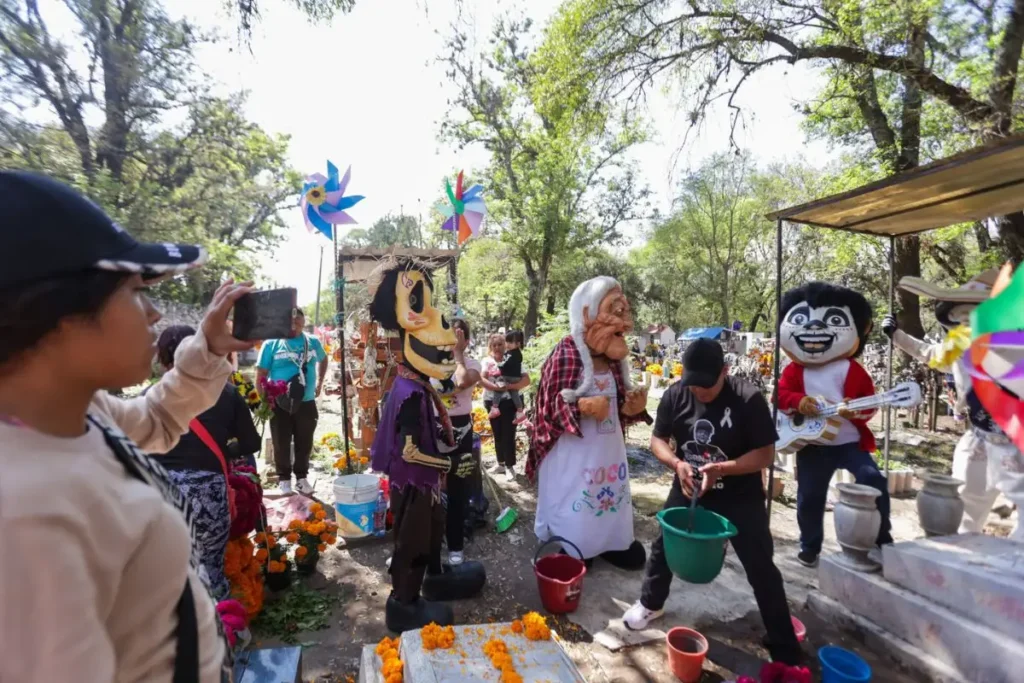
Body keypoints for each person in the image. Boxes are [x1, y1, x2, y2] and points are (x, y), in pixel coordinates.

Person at [0, 170, 253, 682]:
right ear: (60, 314)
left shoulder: (80, 413)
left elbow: (156, 419)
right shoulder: (24, 516)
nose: (154, 312)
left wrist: (207, 348)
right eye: (136, 290)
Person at [622, 338, 802, 665]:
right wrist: (677, 464)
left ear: (725, 371)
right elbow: (657, 440)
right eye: (693, 384)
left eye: (706, 385)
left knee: (761, 564)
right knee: (663, 544)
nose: (699, 392)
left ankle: (783, 643)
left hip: (739, 492)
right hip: (689, 483)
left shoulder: (748, 399)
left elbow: (765, 453)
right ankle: (651, 603)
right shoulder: (677, 394)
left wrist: (722, 470)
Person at [367, 257, 486, 633]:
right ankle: (404, 602)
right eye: (419, 307)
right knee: (415, 541)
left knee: (432, 531)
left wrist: (448, 457)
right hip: (414, 483)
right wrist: (451, 466)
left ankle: (434, 577)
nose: (444, 334)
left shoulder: (418, 385)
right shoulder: (409, 393)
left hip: (425, 483)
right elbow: (408, 451)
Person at [884, 269, 1023, 539]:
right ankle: (963, 553)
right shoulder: (961, 351)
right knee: (966, 500)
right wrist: (895, 335)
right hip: (980, 438)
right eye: (960, 319)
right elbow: (929, 353)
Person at [527, 276, 649, 569]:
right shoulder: (566, 353)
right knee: (578, 499)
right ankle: (577, 543)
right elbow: (546, 405)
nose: (626, 324)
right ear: (587, 314)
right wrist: (581, 405)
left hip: (608, 454)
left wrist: (633, 406)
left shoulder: (614, 359)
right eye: (615, 312)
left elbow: (620, 407)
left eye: (625, 313)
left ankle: (612, 541)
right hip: (574, 454)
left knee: (607, 497)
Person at [775, 282, 892, 568]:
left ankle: (882, 537)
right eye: (801, 319)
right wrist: (800, 402)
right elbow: (779, 396)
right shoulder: (794, 369)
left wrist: (855, 413)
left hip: (849, 442)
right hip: (813, 444)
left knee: (873, 480)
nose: (814, 328)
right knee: (809, 497)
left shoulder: (853, 370)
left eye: (834, 320)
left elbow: (869, 402)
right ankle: (810, 545)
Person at [155, 325, 263, 600]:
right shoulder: (226, 393)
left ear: (162, 359)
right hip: (208, 494)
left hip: (161, 497)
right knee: (212, 568)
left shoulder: (148, 398)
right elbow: (252, 444)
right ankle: (223, 631)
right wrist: (225, 449)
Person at [257, 308, 328, 495]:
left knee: (304, 441)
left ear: (304, 322)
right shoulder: (271, 344)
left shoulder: (312, 341)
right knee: (281, 440)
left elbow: (324, 359)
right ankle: (284, 480)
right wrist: (264, 401)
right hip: (279, 403)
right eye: (292, 322)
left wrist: (320, 382)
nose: (295, 325)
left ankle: (302, 478)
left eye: (299, 322)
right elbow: (261, 374)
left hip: (306, 402)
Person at [440, 319, 482, 565]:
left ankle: (456, 544)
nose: (453, 340)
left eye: (459, 336)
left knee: (458, 487)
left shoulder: (472, 364)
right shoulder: (431, 364)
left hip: (461, 427)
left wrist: (457, 354)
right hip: (434, 427)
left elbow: (460, 383)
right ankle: (428, 542)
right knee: (429, 487)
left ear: (466, 340)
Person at [480, 333, 531, 481]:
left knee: (508, 434)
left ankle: (510, 466)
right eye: (494, 345)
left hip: (510, 402)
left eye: (500, 344)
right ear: (490, 347)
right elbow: (481, 378)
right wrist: (495, 387)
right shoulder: (487, 361)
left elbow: (526, 380)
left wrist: (509, 386)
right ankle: (500, 463)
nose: (497, 348)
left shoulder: (513, 359)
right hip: (491, 401)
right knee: (497, 433)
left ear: (506, 345)